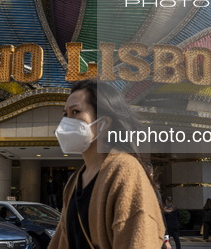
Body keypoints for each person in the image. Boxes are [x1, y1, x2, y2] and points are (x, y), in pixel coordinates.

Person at [48, 80, 166, 249]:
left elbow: (139, 238)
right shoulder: (75, 180)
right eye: (65, 114)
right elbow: (62, 240)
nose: (67, 122)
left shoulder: (125, 169)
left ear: (104, 123)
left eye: (76, 111)